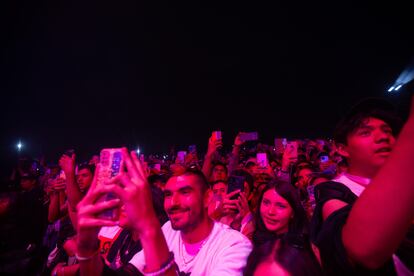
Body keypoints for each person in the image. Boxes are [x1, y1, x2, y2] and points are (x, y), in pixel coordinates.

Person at [76, 149, 252, 275]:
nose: (173, 203)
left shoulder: (234, 246)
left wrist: (148, 226)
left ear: (207, 198)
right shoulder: (168, 231)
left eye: (185, 192)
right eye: (168, 194)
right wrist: (87, 247)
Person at [311, 97, 414, 275]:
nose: (383, 137)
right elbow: (363, 251)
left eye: (388, 131)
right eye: (365, 132)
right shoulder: (334, 192)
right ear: (342, 148)